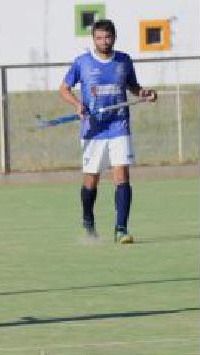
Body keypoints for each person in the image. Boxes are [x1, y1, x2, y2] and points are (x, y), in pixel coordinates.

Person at [58, 19, 157, 244]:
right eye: (99, 38)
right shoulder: (82, 62)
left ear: (114, 37)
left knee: (122, 176)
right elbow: (64, 89)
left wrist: (145, 94)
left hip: (119, 126)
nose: (104, 41)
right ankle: (88, 219)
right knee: (91, 181)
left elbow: (134, 87)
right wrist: (77, 104)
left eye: (108, 37)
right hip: (93, 130)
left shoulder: (124, 61)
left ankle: (121, 229)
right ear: (94, 39)